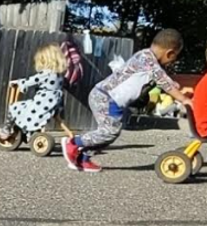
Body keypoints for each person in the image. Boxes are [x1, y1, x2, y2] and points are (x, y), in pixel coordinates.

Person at [62, 29, 191, 172]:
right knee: (109, 131)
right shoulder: (146, 59)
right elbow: (162, 80)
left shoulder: (148, 60)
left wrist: (176, 87)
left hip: (112, 99)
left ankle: (83, 159)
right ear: (170, 53)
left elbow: (161, 80)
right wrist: (184, 99)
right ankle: (73, 143)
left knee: (110, 133)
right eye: (174, 58)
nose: (172, 61)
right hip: (105, 97)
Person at [0, 43, 68, 141]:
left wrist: (18, 82)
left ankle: (6, 130)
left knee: (15, 107)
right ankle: (26, 132)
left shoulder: (46, 74)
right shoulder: (59, 75)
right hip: (52, 105)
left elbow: (31, 80)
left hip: (42, 105)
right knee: (26, 110)